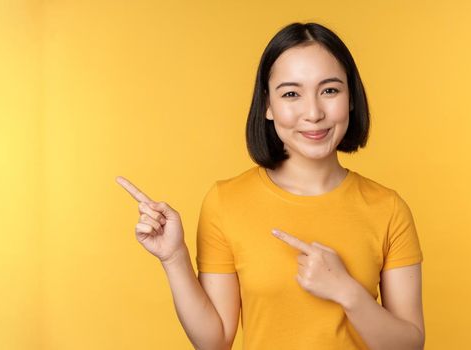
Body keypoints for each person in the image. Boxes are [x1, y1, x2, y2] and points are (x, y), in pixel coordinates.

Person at [117, 22, 424, 350]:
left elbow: (409, 345)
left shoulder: (387, 208)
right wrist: (174, 257)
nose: (313, 112)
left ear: (351, 98)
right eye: (291, 93)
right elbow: (214, 341)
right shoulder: (226, 202)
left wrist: (346, 292)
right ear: (267, 105)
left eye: (330, 90)